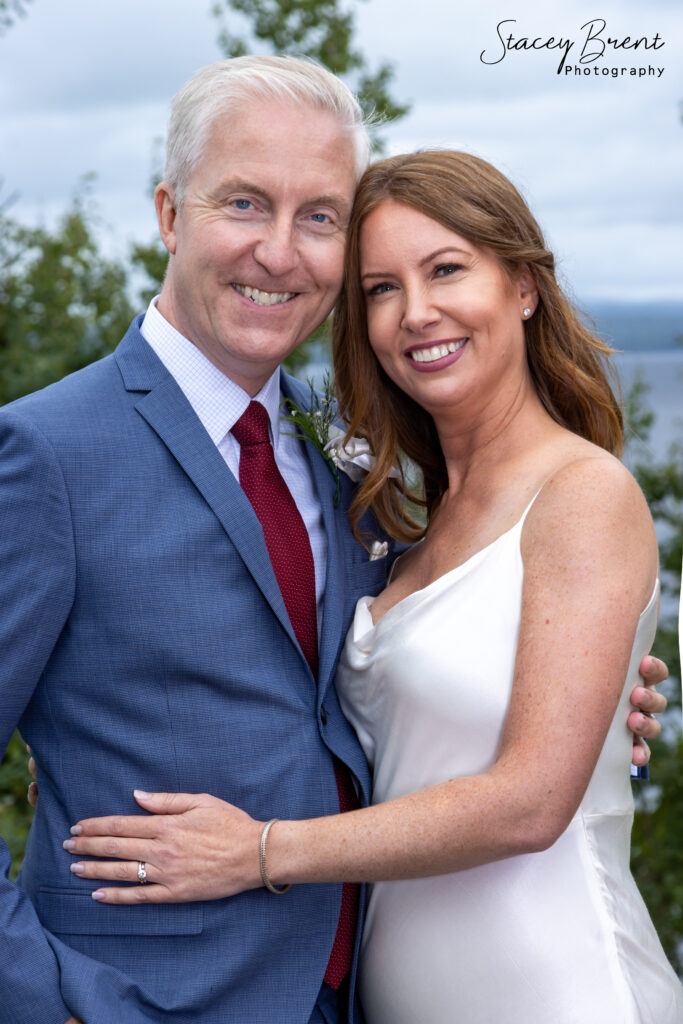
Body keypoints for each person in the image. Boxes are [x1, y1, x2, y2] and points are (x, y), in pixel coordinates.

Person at [63, 150, 682, 1024]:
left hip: (554, 987)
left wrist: (260, 852)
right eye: (380, 289)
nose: (415, 313)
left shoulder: (581, 493)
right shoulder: (400, 522)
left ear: (522, 285)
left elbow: (531, 804)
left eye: (446, 270)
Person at [0, 56, 392, 1024]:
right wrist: (51, 1002)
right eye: (245, 204)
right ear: (170, 214)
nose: (278, 253)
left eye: (318, 217)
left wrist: (593, 708)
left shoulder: (348, 449)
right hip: (140, 995)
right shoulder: (43, 450)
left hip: (363, 990)